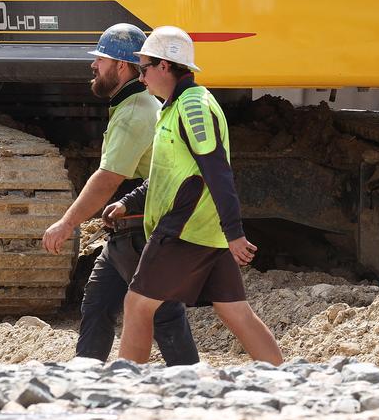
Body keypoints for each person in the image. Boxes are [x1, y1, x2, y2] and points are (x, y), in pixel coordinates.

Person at [108, 26, 283, 365]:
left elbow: (216, 171)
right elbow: (170, 176)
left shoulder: (193, 108)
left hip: (185, 229)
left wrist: (235, 233)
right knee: (234, 310)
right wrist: (128, 203)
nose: (141, 78)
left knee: (137, 304)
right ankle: (285, 378)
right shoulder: (173, 108)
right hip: (205, 229)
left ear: (164, 66)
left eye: (143, 68)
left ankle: (126, 388)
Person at [41, 24, 198, 365]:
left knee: (161, 310)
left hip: (140, 227)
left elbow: (108, 179)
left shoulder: (135, 111)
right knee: (99, 302)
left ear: (122, 67)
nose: (93, 66)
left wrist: (67, 223)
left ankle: (189, 376)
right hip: (127, 229)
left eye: (101, 59)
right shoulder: (138, 105)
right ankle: (87, 370)